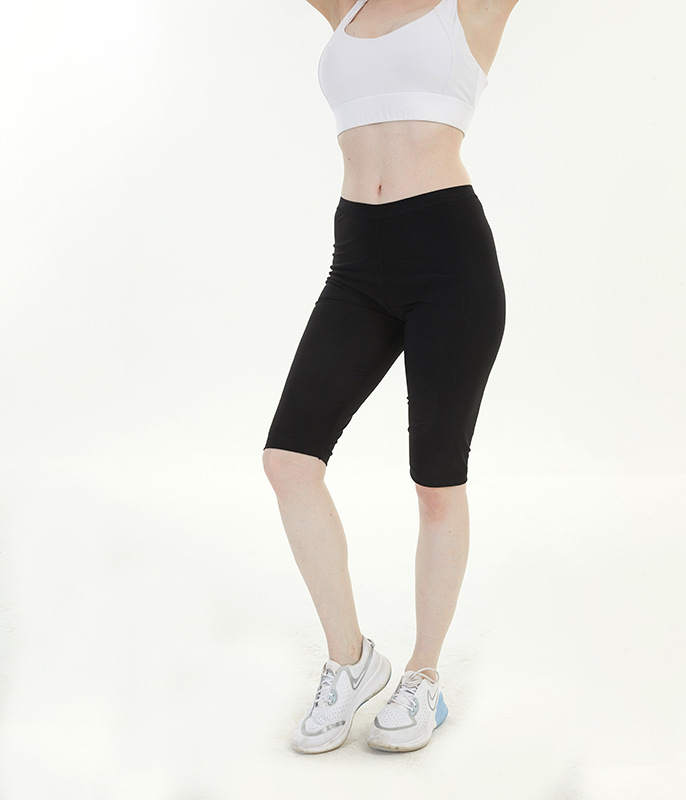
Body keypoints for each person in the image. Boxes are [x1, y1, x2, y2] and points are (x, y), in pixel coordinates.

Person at [262, 0, 518, 754]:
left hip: (450, 263)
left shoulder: (470, 10)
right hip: (358, 264)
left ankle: (424, 677)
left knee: (436, 483)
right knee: (288, 461)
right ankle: (350, 661)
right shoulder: (347, 8)